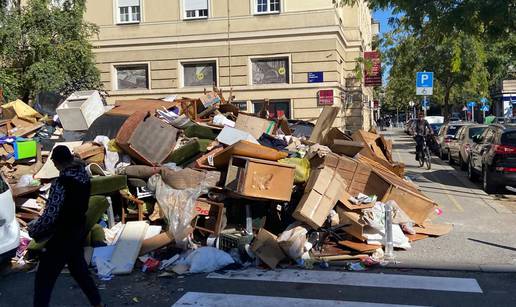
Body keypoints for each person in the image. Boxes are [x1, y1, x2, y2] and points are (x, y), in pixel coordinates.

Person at [29, 146, 103, 307]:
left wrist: (35, 229)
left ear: (55, 162)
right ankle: (98, 304)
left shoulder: (61, 183)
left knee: (44, 278)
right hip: (77, 230)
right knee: (80, 272)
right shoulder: (83, 175)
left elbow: (51, 214)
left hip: (62, 235)